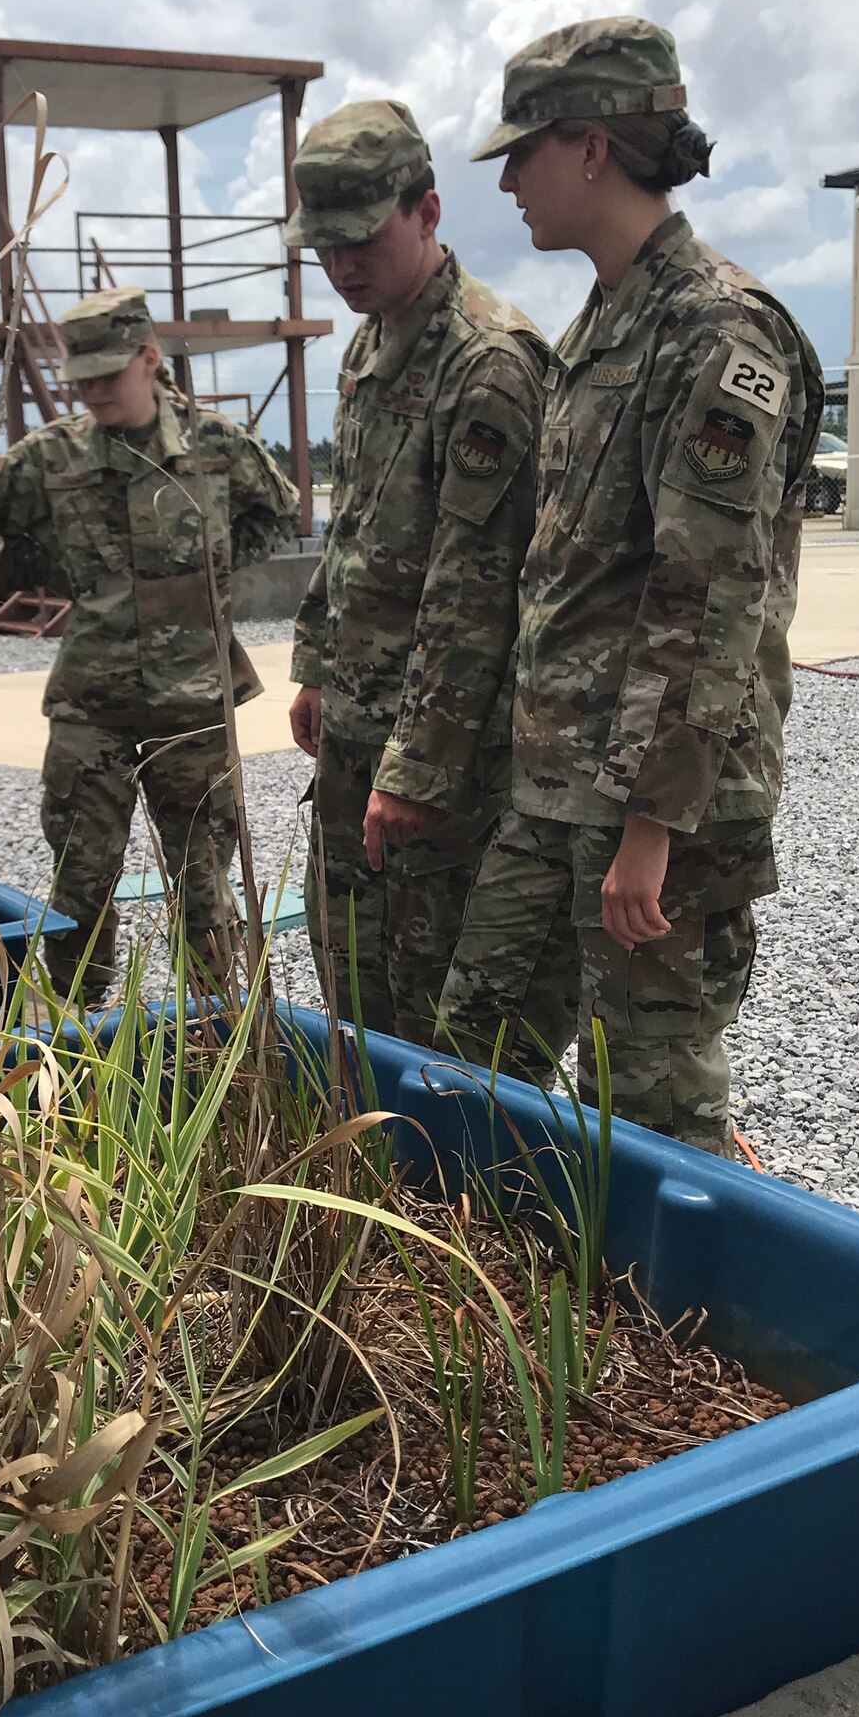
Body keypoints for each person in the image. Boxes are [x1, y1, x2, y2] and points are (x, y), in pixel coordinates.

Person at [439, 16, 823, 1155]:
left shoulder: (716, 330)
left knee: (655, 1110)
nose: (506, 179)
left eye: (524, 151)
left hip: (657, 805)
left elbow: (708, 596)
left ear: (593, 146)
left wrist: (652, 824)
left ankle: (717, 1323)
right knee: (472, 1059)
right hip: (558, 783)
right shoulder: (604, 321)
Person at [285, 101, 549, 1040]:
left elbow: (478, 591)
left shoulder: (486, 362)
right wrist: (316, 664)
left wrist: (419, 768)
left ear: (428, 212)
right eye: (324, 249)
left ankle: (446, 1183)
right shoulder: (370, 342)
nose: (342, 268)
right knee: (349, 974)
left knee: (433, 996)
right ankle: (371, 1167)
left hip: (439, 758)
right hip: (361, 728)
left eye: (361, 241)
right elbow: (354, 527)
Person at [0, 286, 298, 1004]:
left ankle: (217, 1046)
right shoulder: (47, 459)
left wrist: (208, 573)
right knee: (78, 886)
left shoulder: (216, 446)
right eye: (80, 379)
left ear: (150, 359)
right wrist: (70, 584)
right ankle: (75, 1040)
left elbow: (276, 511)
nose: (91, 392)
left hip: (194, 706)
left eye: (106, 375)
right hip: (92, 705)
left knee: (206, 886)